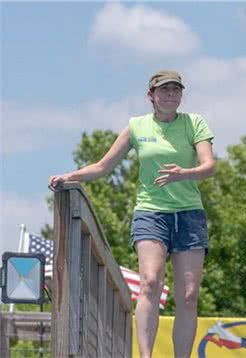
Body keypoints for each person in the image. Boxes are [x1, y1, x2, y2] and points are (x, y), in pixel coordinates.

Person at [48, 70, 216, 358]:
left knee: (188, 295)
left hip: (189, 215)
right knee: (151, 280)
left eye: (176, 89)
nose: (171, 94)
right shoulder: (137, 127)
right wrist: (69, 175)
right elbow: (103, 166)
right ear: (151, 95)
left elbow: (209, 166)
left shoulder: (194, 123)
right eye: (164, 90)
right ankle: (146, 356)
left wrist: (183, 174)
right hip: (151, 213)